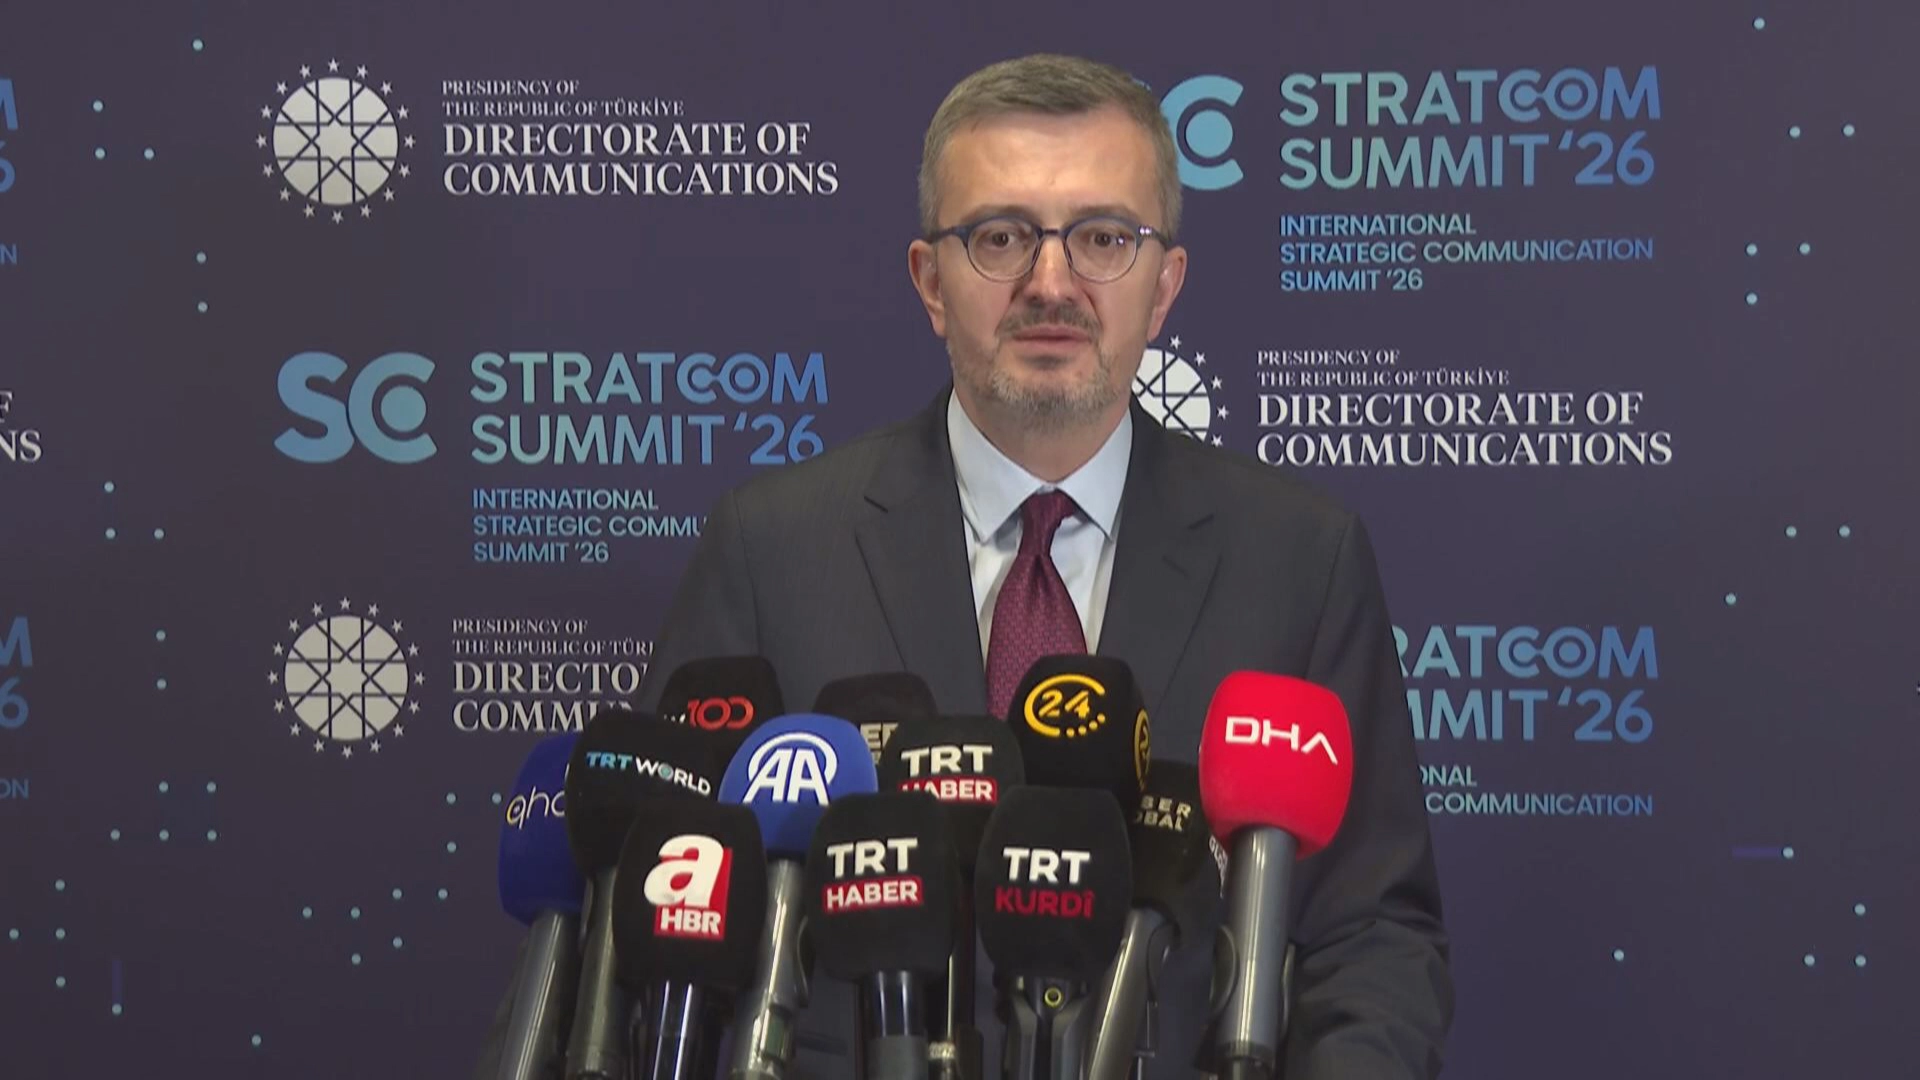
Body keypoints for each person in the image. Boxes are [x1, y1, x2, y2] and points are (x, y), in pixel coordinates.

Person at [476, 52, 1451, 1079]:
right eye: (1000, 237)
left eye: (1103, 238)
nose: (1051, 283)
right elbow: (645, 920)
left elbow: (1373, 941)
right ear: (930, 282)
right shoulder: (773, 548)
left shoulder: (1297, 556)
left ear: (1164, 287)